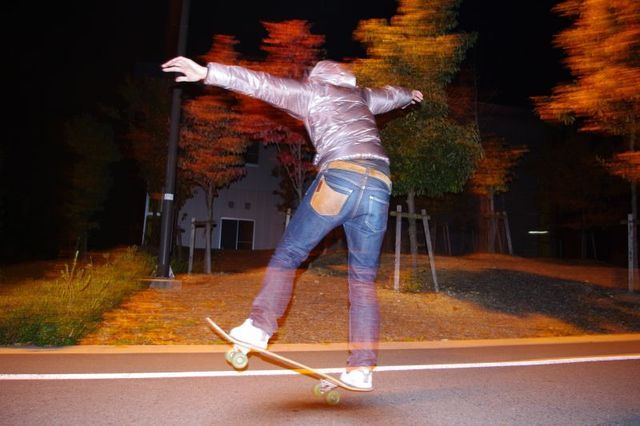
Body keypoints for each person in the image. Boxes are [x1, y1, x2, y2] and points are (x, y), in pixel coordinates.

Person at [162, 56, 422, 390]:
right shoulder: (363, 96)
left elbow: (261, 84)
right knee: (363, 281)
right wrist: (411, 94)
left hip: (341, 178)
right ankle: (361, 368)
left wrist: (207, 72)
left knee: (289, 255)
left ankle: (259, 328)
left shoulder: (313, 91)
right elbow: (392, 94)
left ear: (318, 78)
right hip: (379, 188)